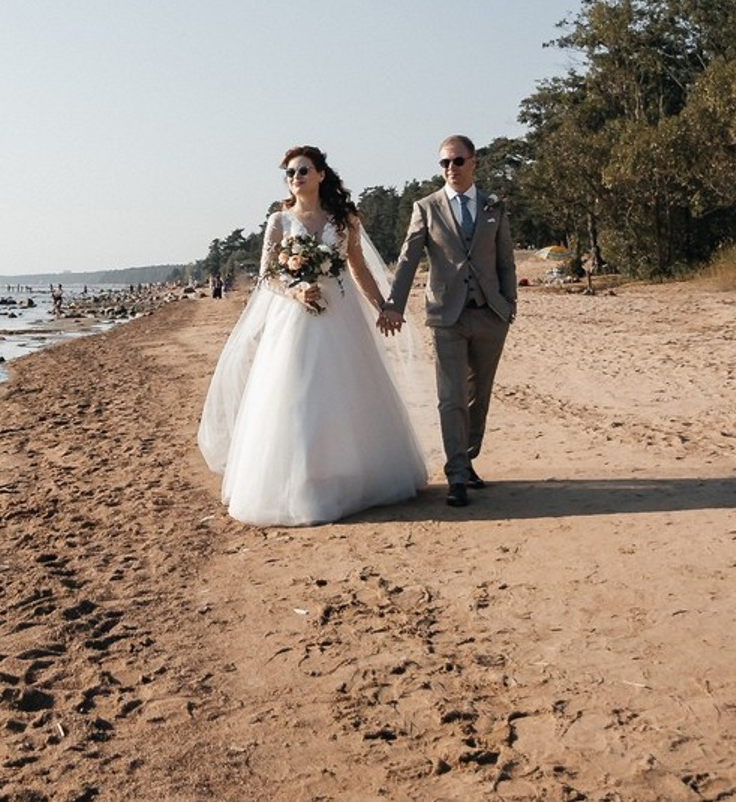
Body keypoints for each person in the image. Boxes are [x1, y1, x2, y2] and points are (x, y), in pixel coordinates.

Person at [198, 146, 429, 526]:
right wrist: (295, 291)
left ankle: (353, 477)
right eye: (289, 173)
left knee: (345, 393)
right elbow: (268, 275)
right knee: (297, 395)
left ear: (321, 174)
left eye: (302, 170)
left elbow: (358, 268)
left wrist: (382, 305)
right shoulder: (279, 221)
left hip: (341, 315)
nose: (295, 177)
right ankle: (304, 482)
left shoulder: (344, 220)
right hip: (294, 318)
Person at [380, 134, 517, 508]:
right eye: (444, 163)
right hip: (447, 316)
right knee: (450, 397)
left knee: (478, 396)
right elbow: (408, 260)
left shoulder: (494, 205)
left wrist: (509, 304)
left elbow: (505, 260)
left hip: (490, 314)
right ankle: (456, 475)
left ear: (473, 162)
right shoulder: (426, 207)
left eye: (457, 161)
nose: (450, 169)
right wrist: (393, 304)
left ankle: (467, 458)